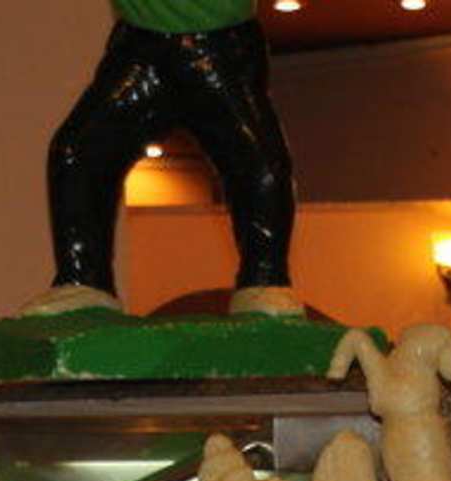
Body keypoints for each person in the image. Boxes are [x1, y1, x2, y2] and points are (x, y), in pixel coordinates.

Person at [26, 1, 303, 320]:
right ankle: (84, 279)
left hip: (220, 47)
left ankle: (264, 278)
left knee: (258, 160)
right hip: (140, 50)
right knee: (79, 152)